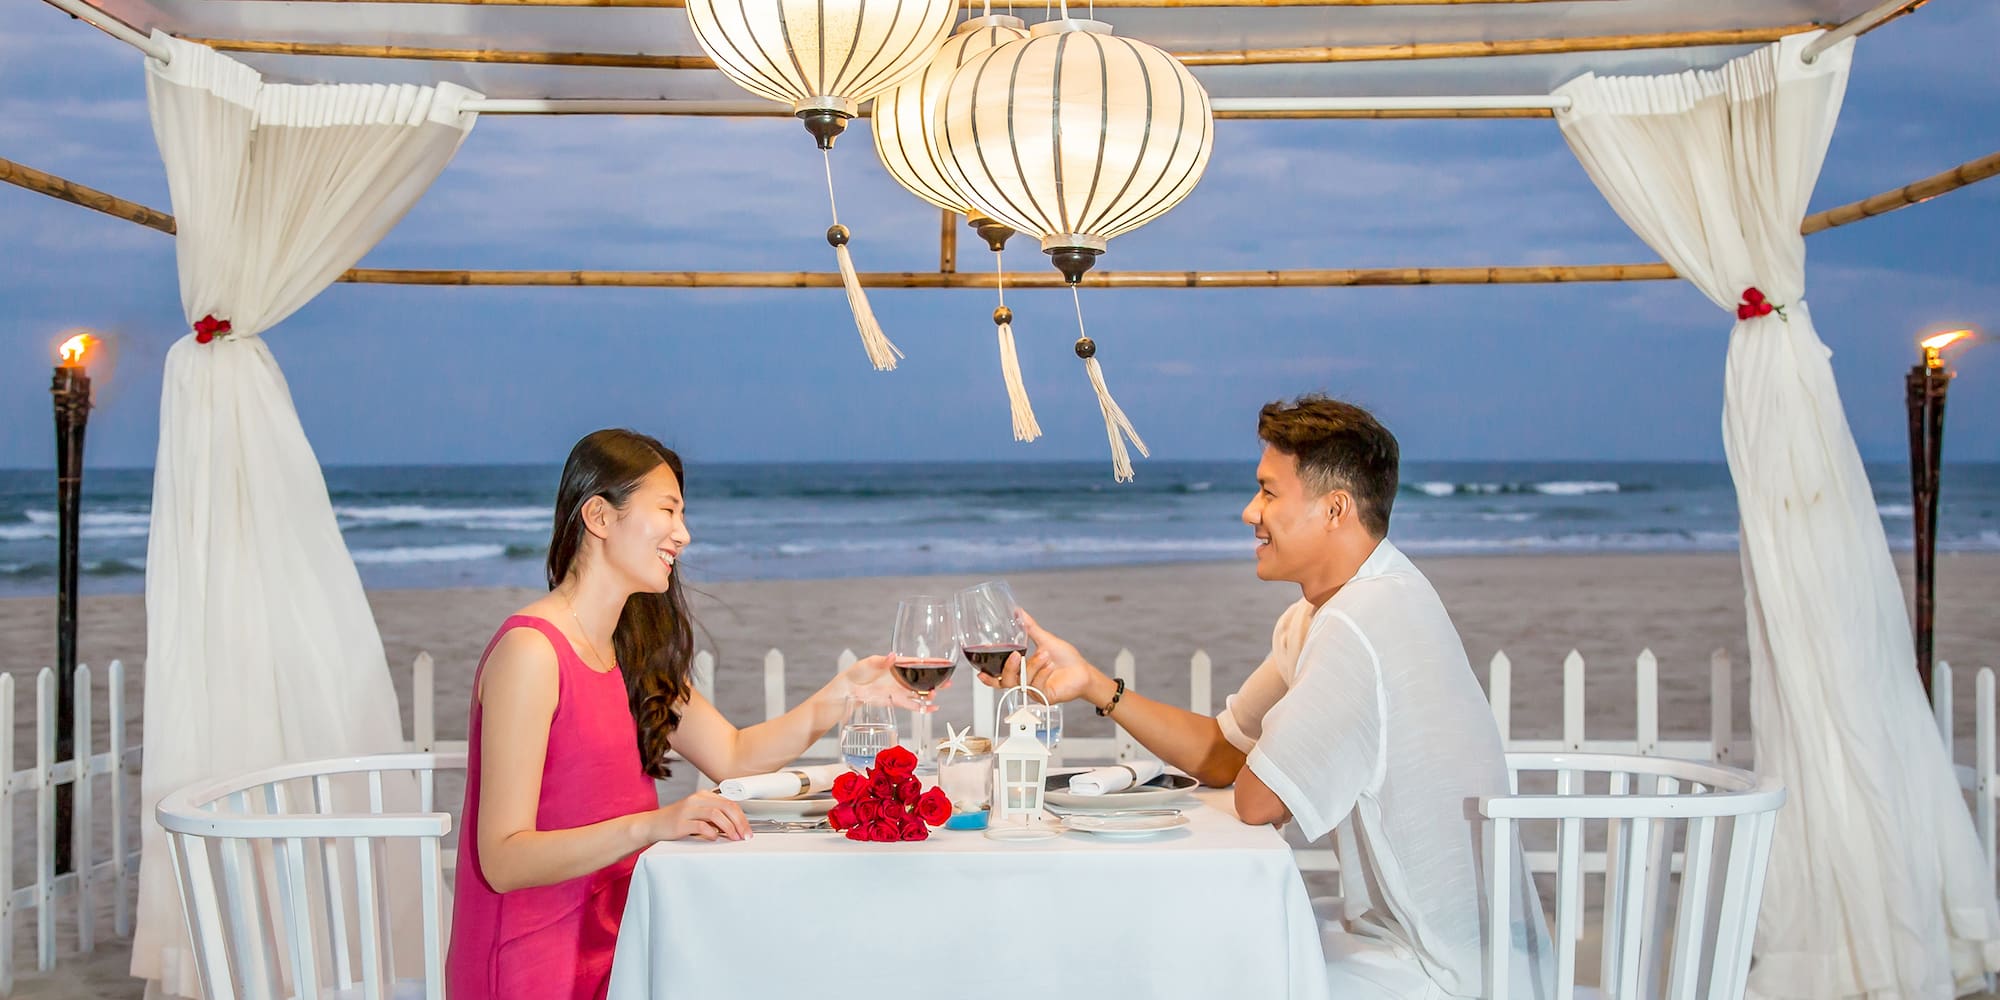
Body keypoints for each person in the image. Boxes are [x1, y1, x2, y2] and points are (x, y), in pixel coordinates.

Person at [987, 395, 1552, 1000]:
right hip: (1400, 940)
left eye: (1270, 492)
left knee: (1190, 970)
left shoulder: (1367, 617)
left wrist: (1284, 728)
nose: (1249, 511)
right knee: (1202, 951)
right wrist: (1093, 685)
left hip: (1447, 972)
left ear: (1335, 508)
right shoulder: (1324, 612)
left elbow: (1259, 801)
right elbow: (1224, 751)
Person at [446, 429, 924, 1000]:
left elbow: (732, 755)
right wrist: (654, 825)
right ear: (599, 515)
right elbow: (501, 858)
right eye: (668, 510)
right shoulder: (531, 652)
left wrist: (842, 693)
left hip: (625, 940)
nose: (684, 534)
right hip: (532, 959)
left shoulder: (634, 653)